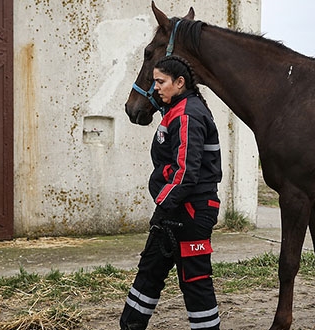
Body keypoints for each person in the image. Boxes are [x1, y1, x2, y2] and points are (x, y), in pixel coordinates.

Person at [120, 55, 223, 330]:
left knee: (195, 282)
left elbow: (186, 173)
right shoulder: (175, 110)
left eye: (160, 82)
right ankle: (130, 324)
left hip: (191, 212)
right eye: (154, 82)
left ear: (179, 83)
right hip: (174, 209)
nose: (155, 88)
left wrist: (162, 207)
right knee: (149, 271)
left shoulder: (189, 113)